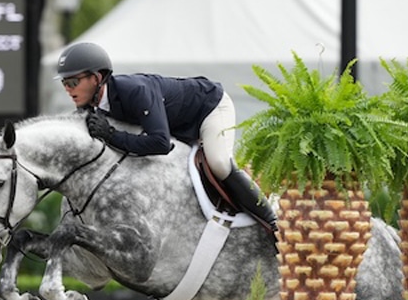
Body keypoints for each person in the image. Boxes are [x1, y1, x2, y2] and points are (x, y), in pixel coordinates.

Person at [56, 42, 276, 231]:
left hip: (209, 109)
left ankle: (272, 221)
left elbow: (161, 143)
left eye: (73, 82)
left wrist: (111, 135)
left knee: (219, 164)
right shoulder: (92, 106)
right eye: (64, 83)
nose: (68, 88)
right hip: (179, 126)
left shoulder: (135, 91)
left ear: (96, 78)